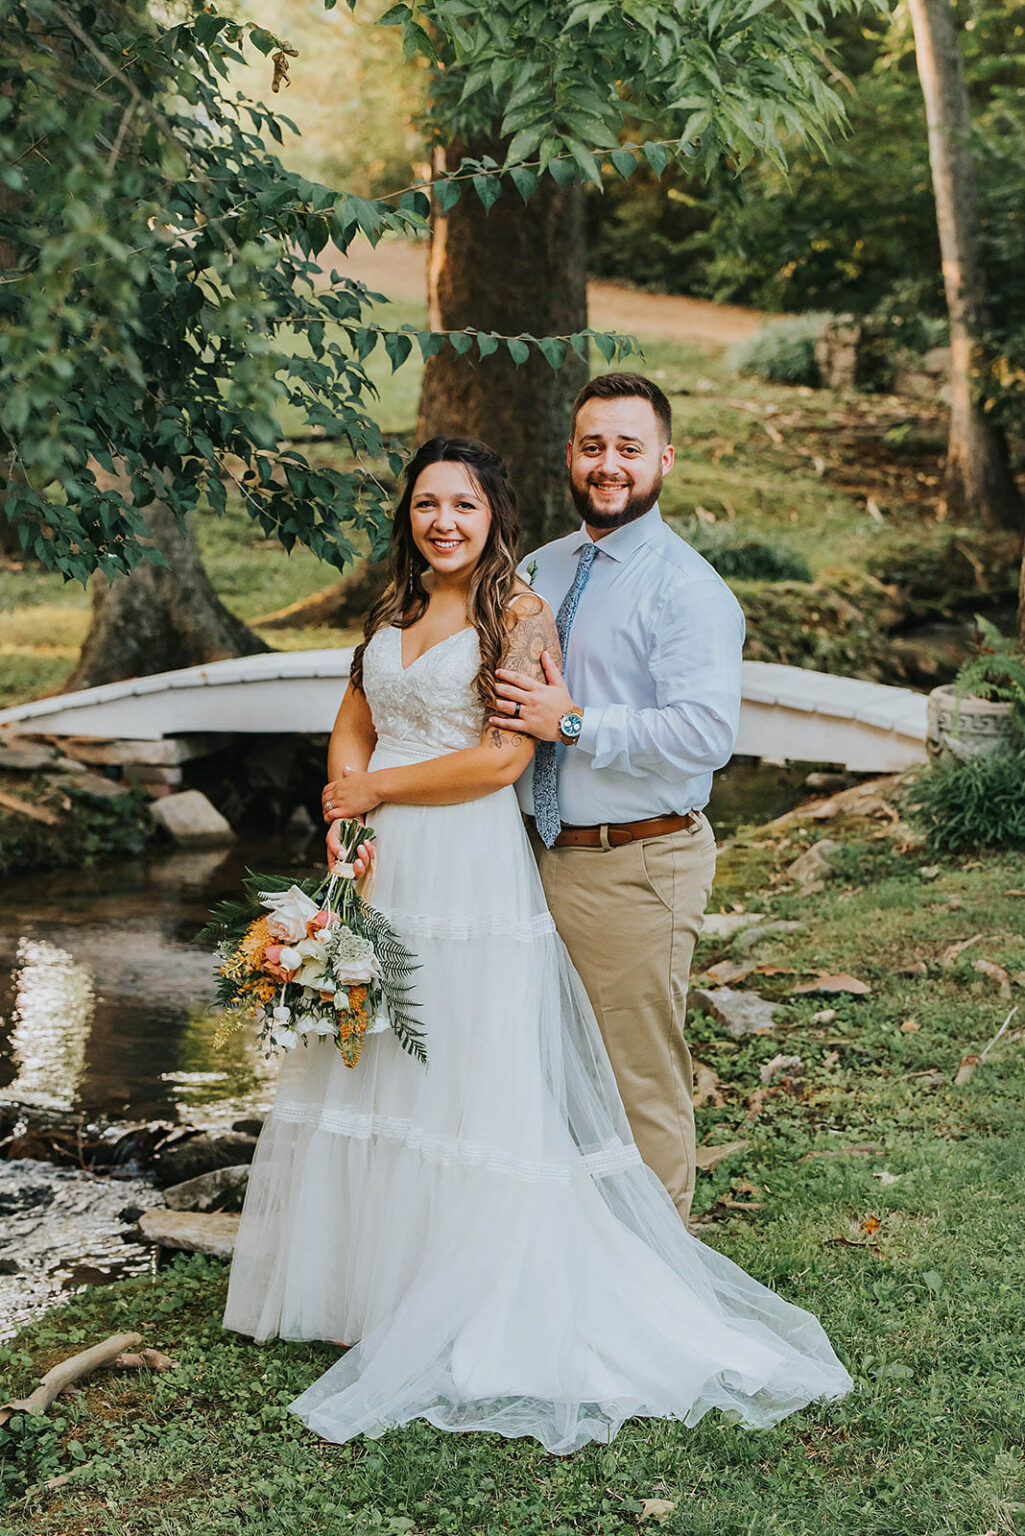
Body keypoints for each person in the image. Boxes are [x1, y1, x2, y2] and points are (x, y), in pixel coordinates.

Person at [223, 436, 851, 1454]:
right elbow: (352, 719)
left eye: (461, 507)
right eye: (426, 505)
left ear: (492, 515)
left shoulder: (518, 615)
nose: (442, 523)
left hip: (466, 857)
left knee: (465, 1067)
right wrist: (347, 816)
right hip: (383, 857)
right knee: (374, 1057)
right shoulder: (390, 607)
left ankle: (471, 1291)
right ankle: (374, 1292)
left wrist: (376, 788)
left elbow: (500, 756)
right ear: (408, 516)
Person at [492, 373, 743, 1226]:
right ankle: (574, 1248)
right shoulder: (536, 567)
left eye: (628, 449)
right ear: (570, 454)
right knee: (545, 1062)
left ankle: (662, 1267)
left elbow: (704, 735)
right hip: (530, 855)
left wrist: (573, 722)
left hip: (634, 859)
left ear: (662, 460)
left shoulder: (687, 590)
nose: (608, 465)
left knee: (636, 1072)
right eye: (592, 446)